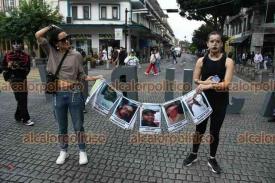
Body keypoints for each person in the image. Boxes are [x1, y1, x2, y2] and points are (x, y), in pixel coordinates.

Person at [35, 25, 104, 165]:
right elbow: (38, 35)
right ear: (56, 43)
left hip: (74, 94)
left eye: (68, 38)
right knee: (61, 126)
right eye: (63, 39)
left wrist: (95, 77)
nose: (67, 41)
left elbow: (82, 75)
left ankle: (82, 151)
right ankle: (63, 151)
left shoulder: (76, 55)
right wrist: (50, 27)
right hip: (58, 95)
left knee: (78, 125)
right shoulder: (51, 52)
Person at [183, 31, 234, 174]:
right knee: (199, 130)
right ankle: (193, 154)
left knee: (214, 132)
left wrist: (207, 85)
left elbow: (226, 84)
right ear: (207, 44)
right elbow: (195, 80)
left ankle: (212, 158)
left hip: (220, 102)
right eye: (212, 41)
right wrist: (205, 82)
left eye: (217, 41)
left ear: (221, 44)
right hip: (203, 102)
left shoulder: (228, 61)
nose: (215, 44)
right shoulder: (201, 61)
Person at [1, 37, 34, 126]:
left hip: (22, 79)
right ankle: (26, 119)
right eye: (14, 43)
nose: (16, 45)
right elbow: (2, 67)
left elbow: (28, 69)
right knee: (21, 98)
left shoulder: (26, 56)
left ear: (21, 44)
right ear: (12, 45)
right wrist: (8, 66)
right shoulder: (7, 55)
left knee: (22, 98)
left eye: (18, 43)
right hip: (13, 79)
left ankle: (18, 116)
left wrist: (20, 69)